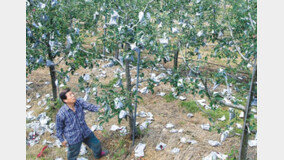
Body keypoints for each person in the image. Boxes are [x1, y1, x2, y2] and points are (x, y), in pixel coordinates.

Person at [56, 88, 108, 160]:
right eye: (70, 95)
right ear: (65, 100)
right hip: (73, 137)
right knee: (73, 154)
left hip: (85, 131)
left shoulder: (79, 102)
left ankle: (98, 155)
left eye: (73, 94)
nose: (73, 96)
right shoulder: (61, 114)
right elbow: (59, 128)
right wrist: (62, 140)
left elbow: (89, 106)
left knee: (96, 144)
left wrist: (98, 109)